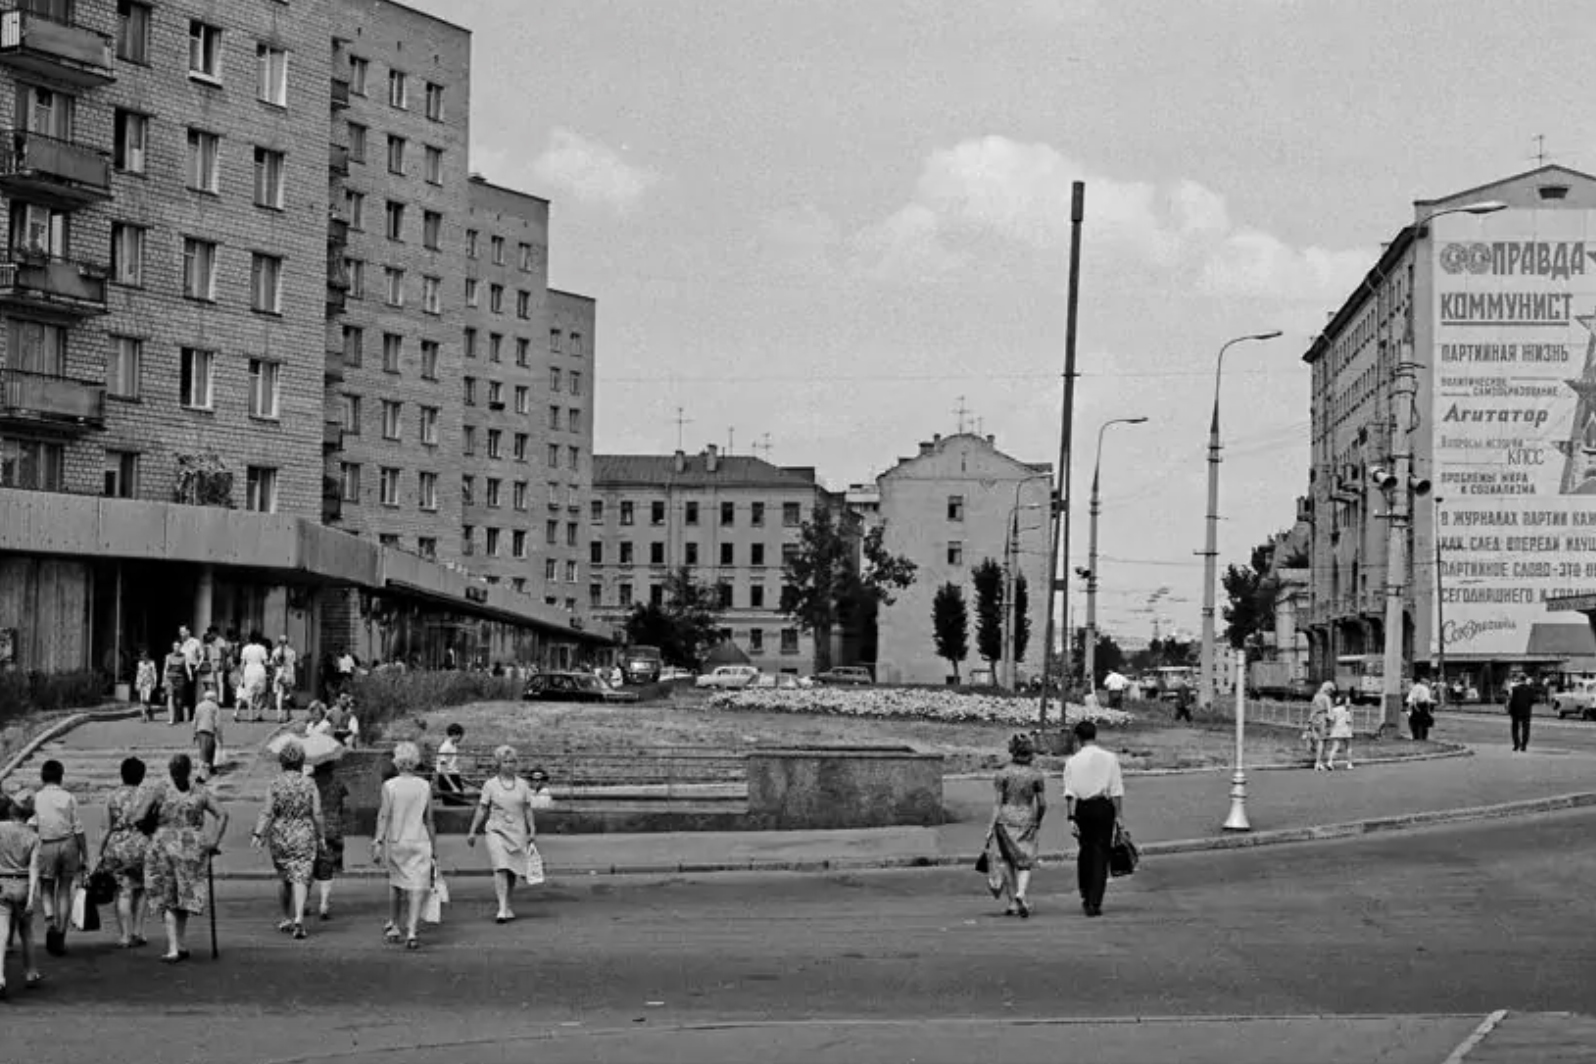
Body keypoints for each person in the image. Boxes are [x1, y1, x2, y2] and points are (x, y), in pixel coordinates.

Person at [137, 753, 228, 963]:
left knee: (168, 898)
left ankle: (174, 947)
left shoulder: (160, 789)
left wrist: (152, 831)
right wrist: (214, 842)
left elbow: (139, 817)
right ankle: (180, 944)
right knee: (183, 896)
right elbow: (223, 814)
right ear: (189, 771)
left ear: (171, 771)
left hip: (163, 847)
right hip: (190, 848)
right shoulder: (200, 791)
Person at [252, 741, 324, 939]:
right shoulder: (309, 783)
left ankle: (285, 916)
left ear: (281, 762)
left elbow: (267, 812)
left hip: (281, 833)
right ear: (301, 762)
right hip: (303, 832)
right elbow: (317, 813)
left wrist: (258, 834)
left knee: (285, 877)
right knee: (301, 876)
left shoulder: (274, 783)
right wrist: (322, 835)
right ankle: (299, 918)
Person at [373, 741, 435, 951]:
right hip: (420, 839)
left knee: (396, 883)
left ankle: (394, 924)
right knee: (417, 886)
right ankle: (412, 931)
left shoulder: (389, 786)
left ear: (397, 762)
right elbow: (430, 820)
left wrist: (378, 841)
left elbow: (384, 815)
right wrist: (434, 848)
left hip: (396, 840)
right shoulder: (425, 786)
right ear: (415, 762)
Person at [466, 745, 539, 924]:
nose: (509, 765)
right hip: (496, 831)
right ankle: (501, 908)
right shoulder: (490, 785)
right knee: (500, 866)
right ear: (499, 763)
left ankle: (507, 904)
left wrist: (532, 828)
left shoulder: (522, 785)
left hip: (517, 831)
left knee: (512, 869)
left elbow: (527, 808)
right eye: (505, 761)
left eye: (512, 761)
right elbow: (482, 808)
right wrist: (473, 830)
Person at [1062, 719, 1124, 918]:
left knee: (1085, 851)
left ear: (1077, 738)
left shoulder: (1072, 762)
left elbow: (1070, 792)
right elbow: (1116, 790)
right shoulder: (1110, 758)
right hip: (1103, 806)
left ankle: (1085, 892)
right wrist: (1119, 817)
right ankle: (1095, 900)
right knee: (1101, 852)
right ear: (1095, 735)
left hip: (1083, 808)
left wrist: (1071, 817)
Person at [980, 733, 1047, 918]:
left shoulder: (1003, 774)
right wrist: (1038, 820)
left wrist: (991, 826)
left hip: (1005, 819)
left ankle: (1012, 903)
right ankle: (1021, 894)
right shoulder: (1036, 775)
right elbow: (1042, 804)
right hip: (1026, 818)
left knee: (1008, 861)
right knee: (1025, 861)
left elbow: (998, 803)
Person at [33, 759, 86, 957]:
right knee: (64, 889)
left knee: (46, 887)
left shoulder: (36, 798)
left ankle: (49, 920)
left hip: (46, 844)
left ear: (42, 777)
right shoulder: (69, 797)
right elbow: (78, 827)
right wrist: (85, 854)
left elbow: (32, 824)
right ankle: (61, 932)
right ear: (61, 777)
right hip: (68, 843)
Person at [98, 757, 151, 949]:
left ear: (122, 774)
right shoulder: (147, 796)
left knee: (123, 891)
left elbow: (106, 827)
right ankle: (139, 931)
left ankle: (125, 935)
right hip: (141, 845)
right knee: (142, 889)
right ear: (142, 775)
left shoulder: (112, 796)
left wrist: (100, 851)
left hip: (117, 846)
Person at [0, 791, 43, 996]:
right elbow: (34, 867)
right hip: (24, 884)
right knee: (26, 931)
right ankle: (31, 972)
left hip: (2, 882)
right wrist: (32, 895)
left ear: (11, 809)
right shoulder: (33, 836)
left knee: (1, 931)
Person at [310, 761, 348, 920]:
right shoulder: (338, 782)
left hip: (311, 827)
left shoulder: (308, 782)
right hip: (332, 827)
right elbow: (341, 805)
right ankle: (324, 903)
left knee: (308, 864)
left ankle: (303, 901)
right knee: (327, 866)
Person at [193, 684, 223, 782]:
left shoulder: (199, 706)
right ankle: (200, 775)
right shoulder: (215, 707)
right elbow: (217, 724)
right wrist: (220, 737)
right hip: (208, 731)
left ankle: (211, 768)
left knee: (209, 749)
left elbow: (194, 721)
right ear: (213, 698)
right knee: (205, 754)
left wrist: (194, 734)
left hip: (199, 731)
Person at [238, 631, 271, 723]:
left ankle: (250, 715)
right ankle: (259, 713)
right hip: (260, 670)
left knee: (249, 694)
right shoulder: (262, 648)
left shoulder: (245, 648)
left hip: (248, 670)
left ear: (249, 638)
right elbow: (265, 662)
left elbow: (242, 664)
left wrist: (241, 675)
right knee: (261, 693)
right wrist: (270, 668)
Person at [436, 724, 468, 804]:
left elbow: (452, 763)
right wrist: (453, 786)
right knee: (453, 804)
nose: (461, 738)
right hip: (446, 778)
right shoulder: (445, 748)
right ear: (454, 734)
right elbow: (443, 769)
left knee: (459, 801)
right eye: (460, 735)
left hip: (453, 775)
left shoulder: (453, 745)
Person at [1308, 681, 1335, 771]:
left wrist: (1310, 722)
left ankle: (1318, 762)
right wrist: (1332, 722)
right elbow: (1330, 712)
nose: (1331, 692)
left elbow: (1312, 709)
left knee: (1318, 741)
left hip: (1315, 719)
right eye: (1331, 690)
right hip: (1323, 719)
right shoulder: (1326, 698)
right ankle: (1319, 762)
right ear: (1328, 690)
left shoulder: (1316, 696)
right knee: (1322, 742)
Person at [179, 625, 204, 721]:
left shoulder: (195, 642)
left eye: (183, 632)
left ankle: (191, 715)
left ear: (188, 632)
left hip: (192, 667)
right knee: (181, 692)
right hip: (181, 668)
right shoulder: (180, 643)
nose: (181, 634)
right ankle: (180, 716)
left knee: (191, 692)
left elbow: (201, 655)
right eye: (180, 632)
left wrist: (198, 665)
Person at [271, 635, 298, 723]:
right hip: (288, 675)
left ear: (279, 642)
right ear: (287, 642)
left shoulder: (275, 651)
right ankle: (288, 714)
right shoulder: (292, 652)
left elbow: (272, 664)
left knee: (279, 695)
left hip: (279, 675)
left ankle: (279, 715)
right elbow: (293, 665)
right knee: (288, 695)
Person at [1507, 674, 1536, 752]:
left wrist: (1510, 710)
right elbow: (1533, 700)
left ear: (1519, 679)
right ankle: (1523, 746)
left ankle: (1516, 744)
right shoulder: (1530, 689)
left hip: (1516, 711)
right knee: (1526, 729)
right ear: (1525, 679)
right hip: (1526, 711)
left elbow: (1512, 701)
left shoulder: (1515, 689)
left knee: (1515, 728)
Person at [1325, 695, 1354, 770]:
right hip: (1346, 730)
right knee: (1348, 747)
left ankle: (1330, 762)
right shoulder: (1347, 710)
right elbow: (1349, 721)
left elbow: (1331, 719)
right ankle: (1349, 764)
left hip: (1336, 729)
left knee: (1335, 747)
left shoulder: (1334, 709)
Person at [164, 640, 188, 727]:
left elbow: (187, 667)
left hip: (180, 678)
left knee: (178, 700)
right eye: (175, 646)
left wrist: (190, 675)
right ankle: (171, 718)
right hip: (170, 678)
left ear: (180, 647)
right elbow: (166, 668)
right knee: (170, 697)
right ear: (172, 647)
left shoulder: (183, 656)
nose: (176, 648)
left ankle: (177, 716)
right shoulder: (168, 656)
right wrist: (164, 679)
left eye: (178, 646)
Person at [135, 650, 158, 723]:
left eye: (145, 656)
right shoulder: (140, 664)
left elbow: (154, 673)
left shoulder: (152, 663)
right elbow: (138, 674)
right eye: (142, 657)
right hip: (142, 684)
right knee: (142, 700)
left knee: (147, 700)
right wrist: (137, 683)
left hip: (149, 683)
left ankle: (150, 711)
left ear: (147, 657)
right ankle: (143, 716)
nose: (143, 658)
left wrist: (155, 683)